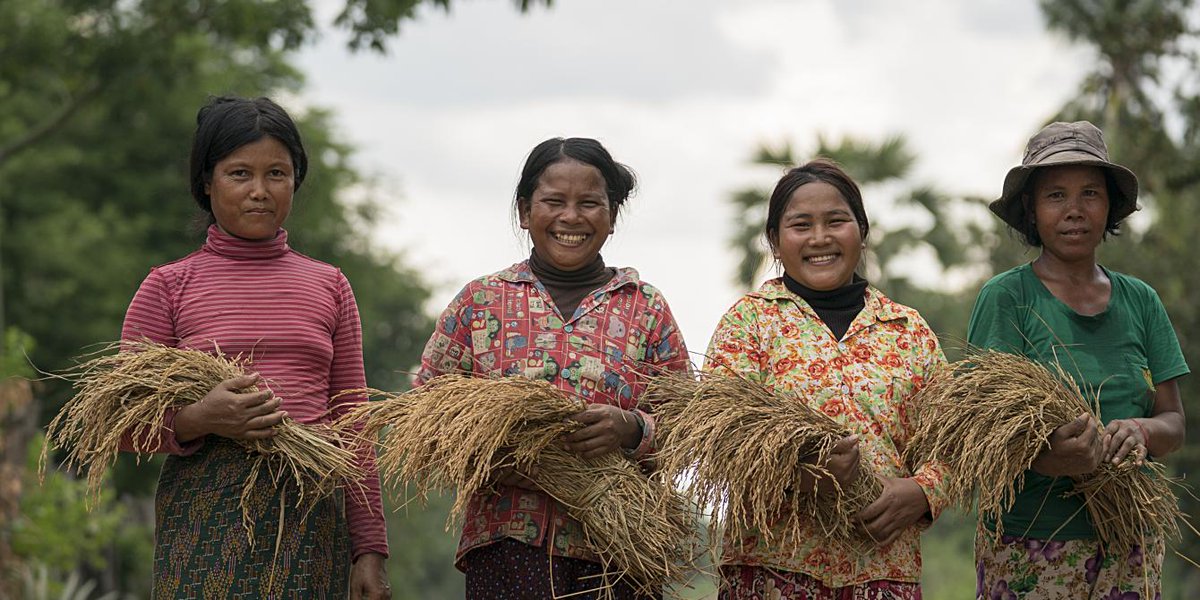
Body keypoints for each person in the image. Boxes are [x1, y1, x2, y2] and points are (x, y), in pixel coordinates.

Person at [120, 96, 390, 599]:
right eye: (239, 173)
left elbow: (354, 425)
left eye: (277, 174)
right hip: (205, 519)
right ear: (207, 182)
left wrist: (370, 550)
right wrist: (202, 417)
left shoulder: (329, 285)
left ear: (296, 180)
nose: (260, 191)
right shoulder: (168, 287)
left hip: (309, 515)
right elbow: (123, 425)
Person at [413, 137, 690, 599]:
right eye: (554, 202)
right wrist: (494, 454)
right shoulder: (481, 302)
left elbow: (692, 432)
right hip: (507, 550)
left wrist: (631, 429)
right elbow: (423, 416)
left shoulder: (646, 308)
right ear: (525, 212)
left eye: (590, 203)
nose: (571, 217)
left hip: (617, 555)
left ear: (612, 216)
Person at [705, 159, 949, 599]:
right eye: (801, 225)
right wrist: (799, 476)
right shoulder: (749, 323)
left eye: (836, 221)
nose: (820, 238)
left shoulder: (908, 330)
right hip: (772, 571)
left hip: (884, 571)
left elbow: (957, 446)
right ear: (775, 242)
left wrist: (921, 491)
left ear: (862, 231)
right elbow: (722, 443)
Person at [970, 121, 1188, 599]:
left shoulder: (1141, 301)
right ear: (1031, 209)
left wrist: (1142, 430)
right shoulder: (1006, 297)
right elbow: (980, 436)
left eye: (1090, 193)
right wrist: (1048, 458)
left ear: (1110, 205)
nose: (1074, 210)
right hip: (1030, 542)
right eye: (1055, 196)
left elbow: (1174, 421)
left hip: (1130, 539)